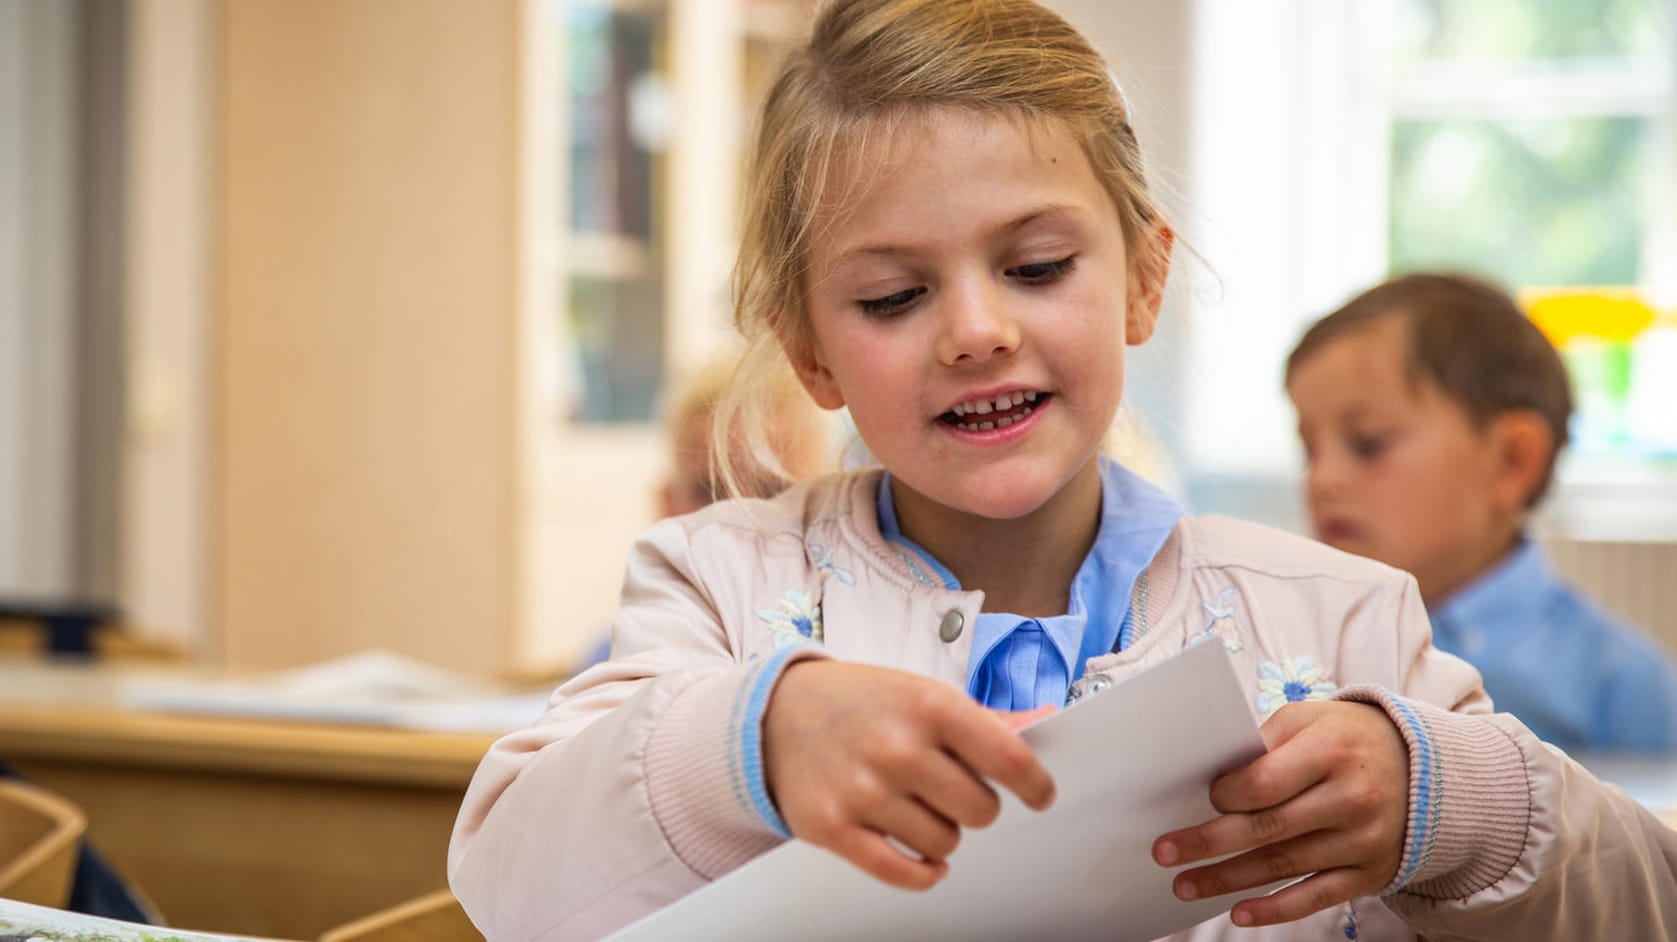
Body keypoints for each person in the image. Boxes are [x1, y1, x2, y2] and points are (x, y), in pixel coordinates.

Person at [449, 2, 1677, 939]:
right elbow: (513, 886)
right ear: (811, 351)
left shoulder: (1343, 616)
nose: (976, 329)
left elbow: (1645, 899)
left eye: (1036, 268)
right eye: (893, 295)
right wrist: (750, 739)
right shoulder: (716, 584)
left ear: (1144, 279)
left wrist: (1441, 803)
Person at [1285, 271, 1677, 754]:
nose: (1322, 479)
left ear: (1512, 461)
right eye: (1309, 450)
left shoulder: (1623, 687)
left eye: (1369, 443)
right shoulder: (1297, 647)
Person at [574, 351, 835, 669]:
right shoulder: (624, 657)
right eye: (710, 492)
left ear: (832, 507)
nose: (739, 522)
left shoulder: (854, 642)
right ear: (666, 507)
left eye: (772, 493)